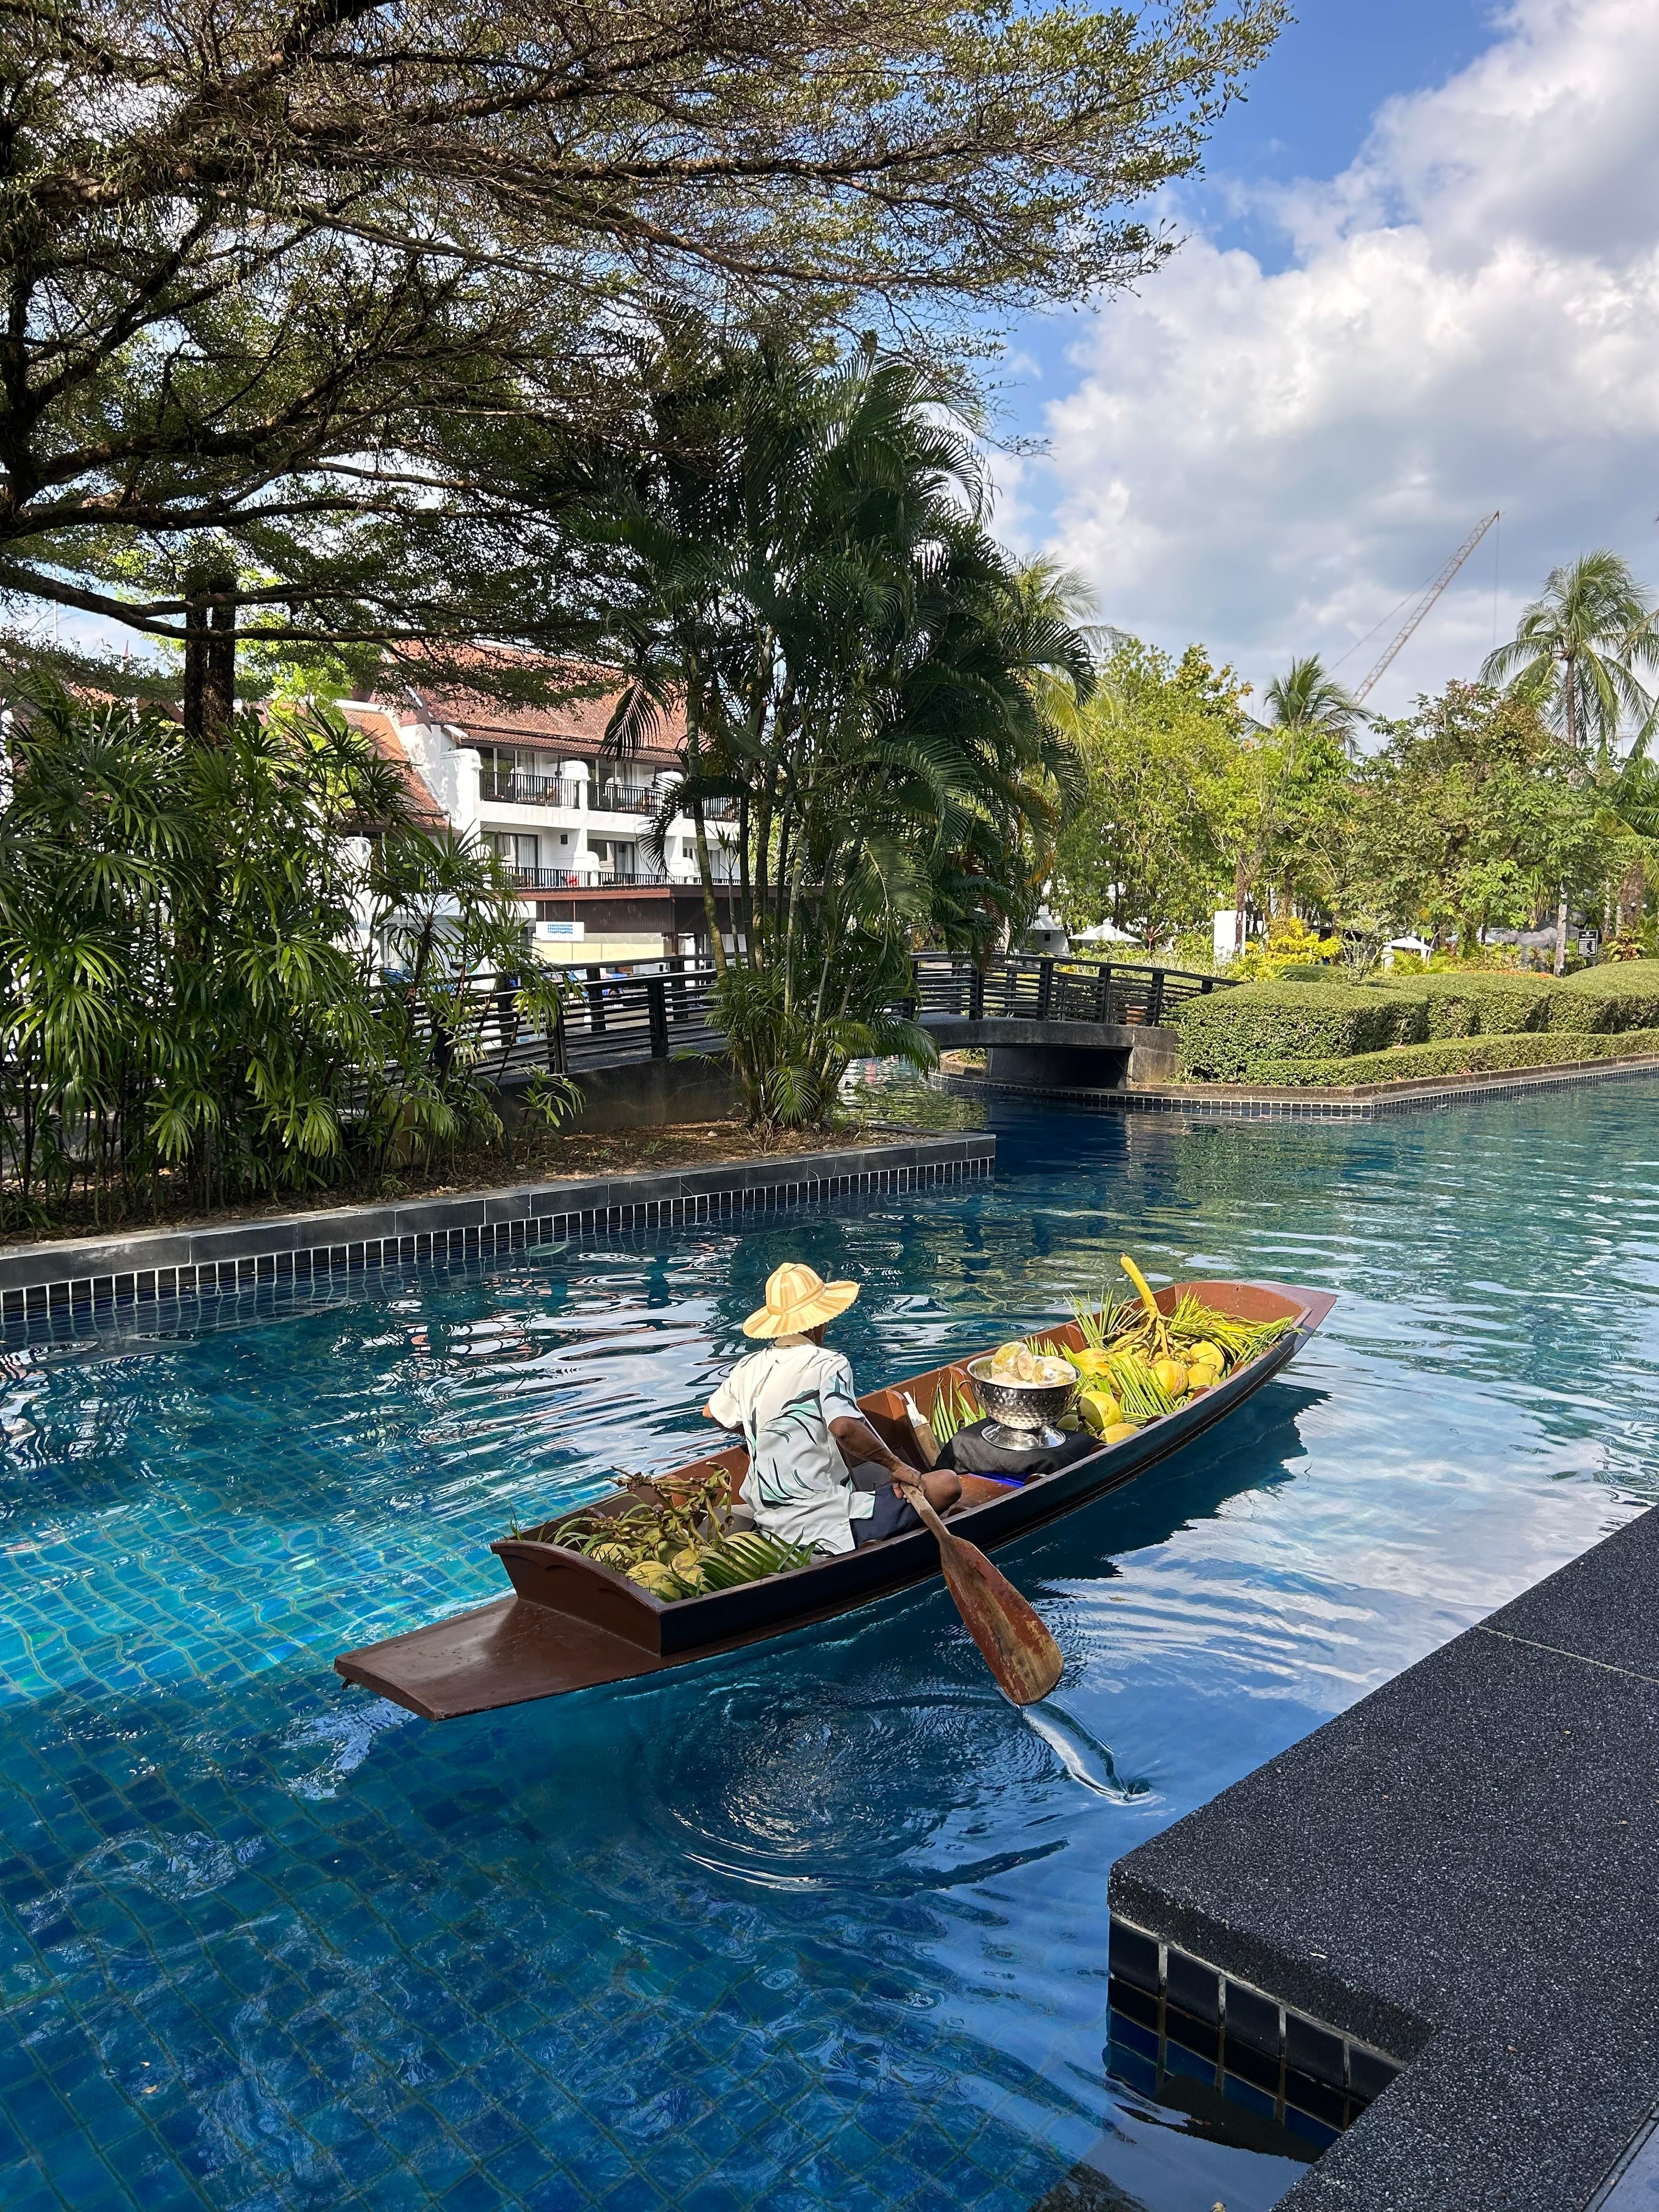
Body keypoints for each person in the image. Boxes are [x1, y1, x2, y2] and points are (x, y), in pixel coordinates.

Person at [704, 1261, 961, 1554]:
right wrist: (897, 1466)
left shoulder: (747, 1367)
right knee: (946, 1483)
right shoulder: (828, 1363)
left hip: (770, 1524)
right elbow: (843, 1427)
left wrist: (762, 1433)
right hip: (828, 1524)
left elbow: (712, 1413)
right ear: (818, 1322)